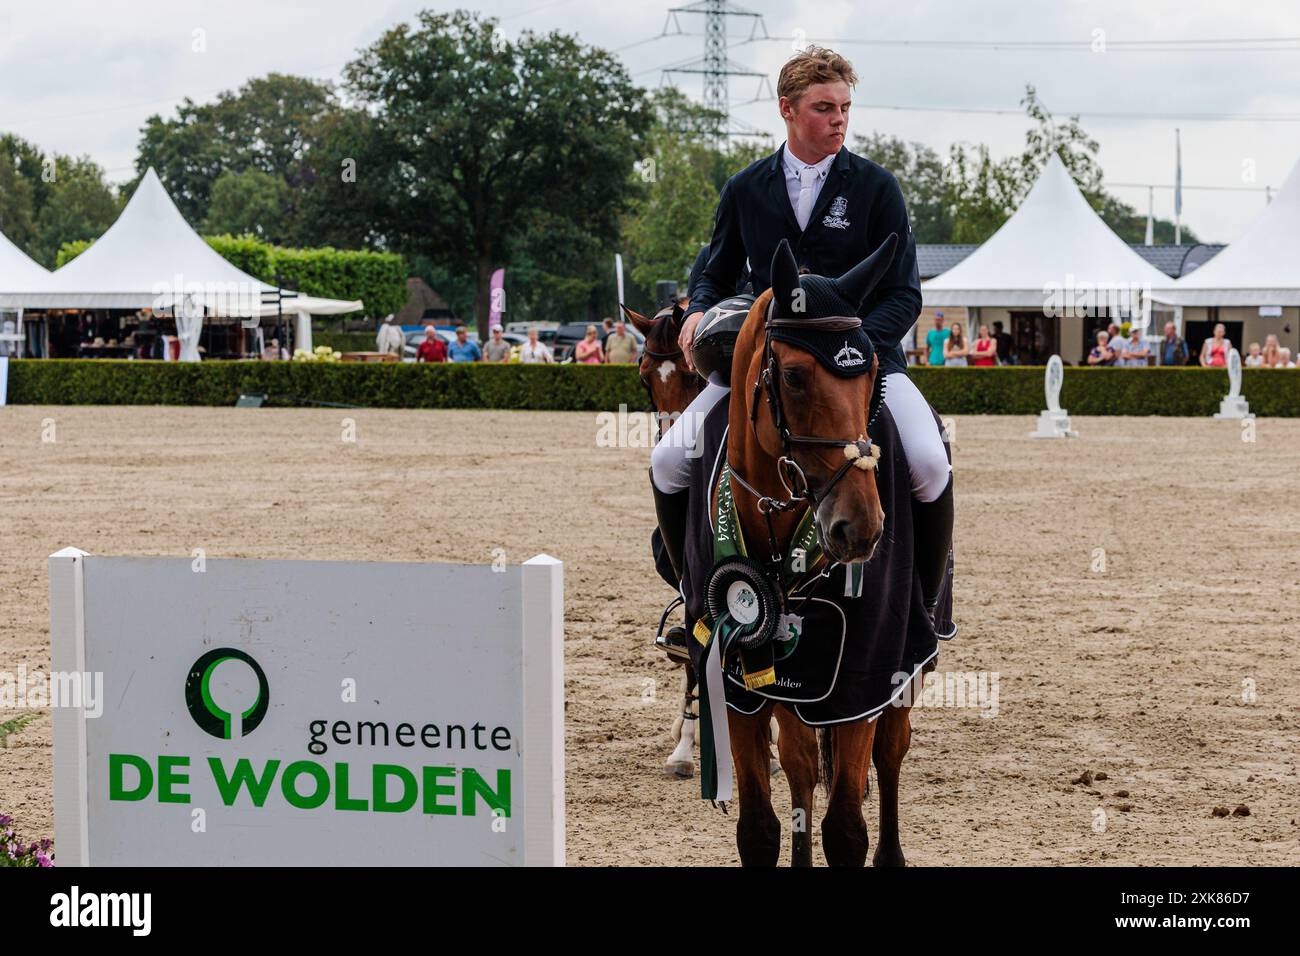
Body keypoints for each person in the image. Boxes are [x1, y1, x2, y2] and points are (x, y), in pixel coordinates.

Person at [662, 45, 955, 629]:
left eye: (846, 107)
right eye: (825, 107)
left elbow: (905, 294)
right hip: (767, 363)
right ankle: (692, 596)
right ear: (787, 110)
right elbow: (715, 272)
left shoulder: (877, 187)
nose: (840, 119)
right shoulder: (746, 188)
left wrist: (857, 347)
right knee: (669, 459)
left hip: (861, 361)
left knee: (928, 463)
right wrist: (697, 310)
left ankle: (923, 606)